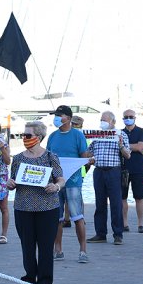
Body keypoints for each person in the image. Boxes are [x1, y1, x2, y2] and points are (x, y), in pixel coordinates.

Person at [7, 121, 64, 284]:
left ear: (38, 137)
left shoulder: (50, 157)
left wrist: (56, 186)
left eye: (28, 135)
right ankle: (29, 278)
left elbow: (60, 178)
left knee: (46, 246)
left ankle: (45, 281)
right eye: (23, 135)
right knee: (27, 245)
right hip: (23, 207)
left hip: (47, 208)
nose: (24, 138)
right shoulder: (17, 159)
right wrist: (10, 183)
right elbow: (13, 180)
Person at [46, 105, 89, 263]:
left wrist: (86, 164)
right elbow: (47, 156)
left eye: (60, 115)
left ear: (69, 119)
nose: (57, 117)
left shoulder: (78, 135)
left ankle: (83, 250)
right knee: (56, 218)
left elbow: (84, 158)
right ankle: (58, 250)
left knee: (77, 216)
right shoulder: (52, 136)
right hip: (55, 183)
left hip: (73, 182)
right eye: (56, 115)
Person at [86, 111, 130, 245]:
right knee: (100, 203)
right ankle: (100, 233)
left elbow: (127, 155)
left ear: (112, 122)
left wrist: (121, 144)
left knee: (116, 204)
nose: (102, 122)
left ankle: (118, 234)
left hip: (113, 171)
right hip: (99, 171)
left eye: (104, 120)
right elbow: (89, 151)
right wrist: (89, 159)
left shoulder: (121, 134)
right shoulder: (97, 135)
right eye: (101, 120)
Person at [120, 109, 143, 233]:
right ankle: (124, 223)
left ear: (135, 117)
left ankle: (140, 224)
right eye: (126, 117)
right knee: (122, 197)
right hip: (123, 168)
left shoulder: (142, 131)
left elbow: (141, 147)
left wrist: (125, 145)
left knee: (139, 197)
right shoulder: (119, 132)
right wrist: (135, 147)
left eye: (131, 116)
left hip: (138, 169)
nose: (128, 118)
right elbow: (138, 147)